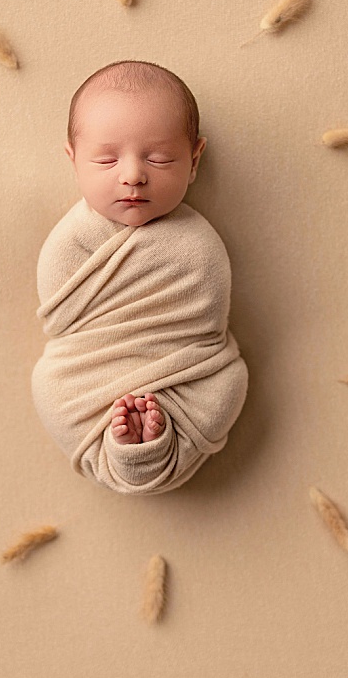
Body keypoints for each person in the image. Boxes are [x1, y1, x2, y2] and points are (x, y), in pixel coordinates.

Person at [32, 59, 248, 495]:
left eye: (159, 158)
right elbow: (62, 322)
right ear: (74, 160)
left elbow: (204, 324)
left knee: (228, 384)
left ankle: (152, 440)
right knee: (49, 383)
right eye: (106, 159)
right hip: (89, 372)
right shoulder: (71, 239)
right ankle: (128, 445)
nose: (133, 175)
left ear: (194, 159)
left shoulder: (198, 242)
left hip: (184, 371)